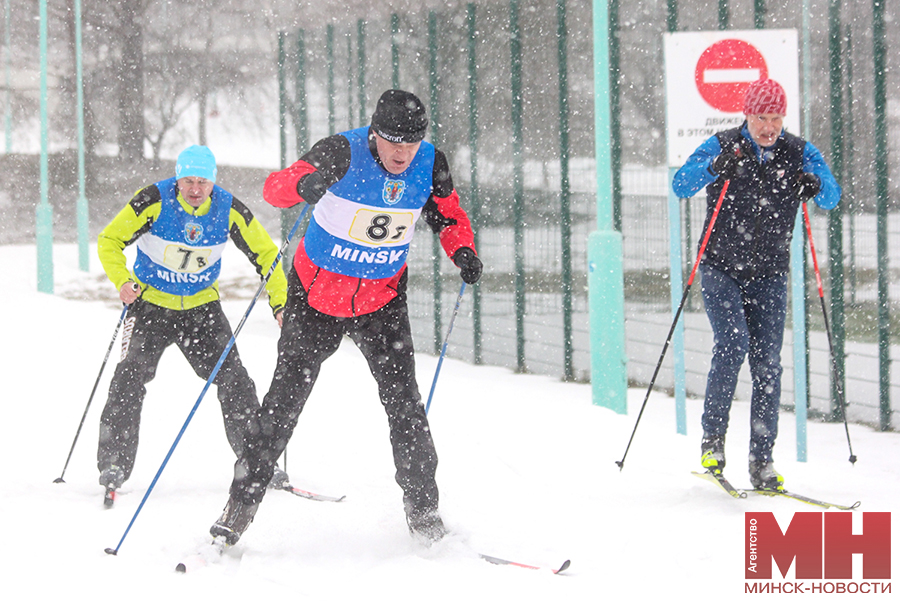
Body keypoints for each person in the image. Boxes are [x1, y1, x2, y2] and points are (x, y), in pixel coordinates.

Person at [209, 89, 483, 545]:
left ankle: (424, 512)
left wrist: (463, 249)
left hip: (382, 302)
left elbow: (448, 214)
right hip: (315, 301)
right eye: (393, 141)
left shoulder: (430, 163)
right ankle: (240, 506)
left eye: (411, 143)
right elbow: (274, 188)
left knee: (406, 406)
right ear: (374, 132)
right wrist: (303, 186)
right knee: (282, 406)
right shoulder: (341, 151)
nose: (402, 153)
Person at [672, 78, 840, 491]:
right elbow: (680, 184)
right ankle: (713, 441)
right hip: (720, 265)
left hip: (769, 272)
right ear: (747, 116)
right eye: (762, 117)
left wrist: (816, 185)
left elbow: (832, 196)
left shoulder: (799, 151)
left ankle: (761, 459)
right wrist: (713, 167)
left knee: (768, 363)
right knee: (732, 345)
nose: (770, 127)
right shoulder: (724, 145)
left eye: (777, 117)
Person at [96, 145, 288, 504]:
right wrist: (122, 281)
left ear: (213, 182)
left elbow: (267, 253)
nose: (195, 189)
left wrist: (281, 302)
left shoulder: (228, 208)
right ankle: (113, 466)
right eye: (188, 180)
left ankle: (257, 462)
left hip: (201, 309)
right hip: (150, 305)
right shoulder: (153, 199)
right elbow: (110, 239)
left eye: (203, 181)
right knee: (128, 378)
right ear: (178, 178)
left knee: (235, 380)